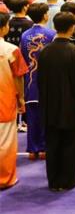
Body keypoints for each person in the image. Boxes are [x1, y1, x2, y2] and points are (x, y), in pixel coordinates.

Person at [37, 12, 75, 191]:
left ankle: (54, 180)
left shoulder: (45, 52)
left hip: (49, 105)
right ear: (71, 28)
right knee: (71, 143)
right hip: (72, 106)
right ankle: (69, 179)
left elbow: (40, 81)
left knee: (52, 143)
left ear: (55, 26)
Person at [20, 3, 56, 160]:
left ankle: (32, 149)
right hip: (47, 80)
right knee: (45, 115)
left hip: (29, 79)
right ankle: (43, 147)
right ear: (45, 15)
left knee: (32, 116)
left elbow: (22, 58)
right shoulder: (51, 34)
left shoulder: (24, 35)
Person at [0, 12, 28, 190]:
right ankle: (5, 178)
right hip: (5, 100)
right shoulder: (11, 50)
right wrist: (22, 98)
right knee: (5, 142)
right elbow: (19, 77)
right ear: (4, 28)